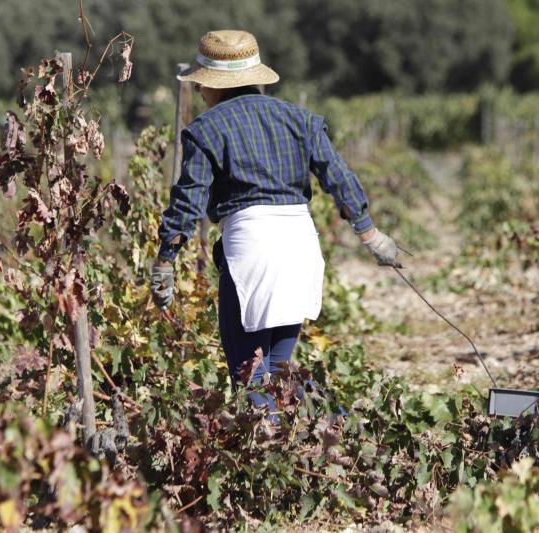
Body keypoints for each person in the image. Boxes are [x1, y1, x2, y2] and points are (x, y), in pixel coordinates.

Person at [151, 30, 402, 410]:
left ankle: (273, 450)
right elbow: (338, 177)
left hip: (252, 250)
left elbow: (188, 203)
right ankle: (326, 436)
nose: (201, 92)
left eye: (203, 83)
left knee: (249, 374)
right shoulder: (300, 120)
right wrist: (372, 237)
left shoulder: (206, 130)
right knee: (280, 369)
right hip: (300, 246)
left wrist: (165, 262)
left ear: (216, 85)